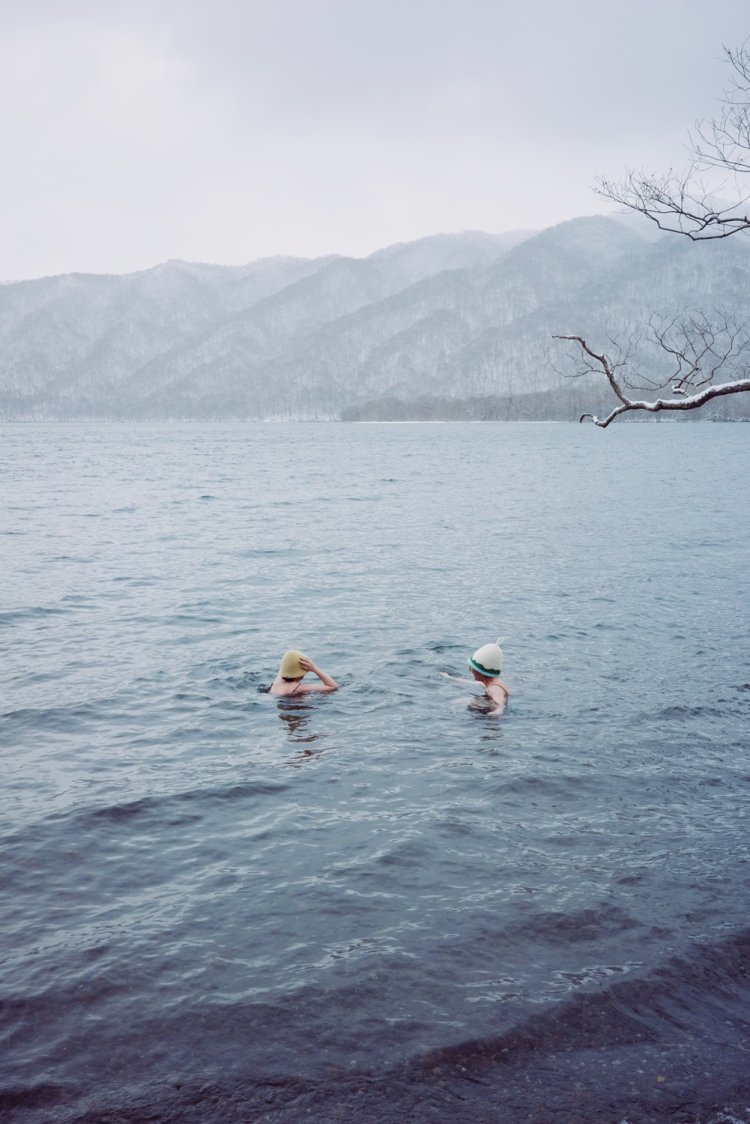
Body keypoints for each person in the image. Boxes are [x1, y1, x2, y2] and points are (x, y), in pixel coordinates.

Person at [443, 639, 510, 715]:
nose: (469, 670)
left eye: (472, 668)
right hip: (487, 703)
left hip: (491, 712)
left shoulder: (495, 688)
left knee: (462, 704)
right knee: (459, 702)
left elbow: (500, 705)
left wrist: (494, 715)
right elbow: (471, 683)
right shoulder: (489, 683)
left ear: (480, 671)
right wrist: (450, 678)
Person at [268, 650, 339, 697]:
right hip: (295, 706)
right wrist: (315, 669)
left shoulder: (277, 683)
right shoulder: (299, 688)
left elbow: (285, 668)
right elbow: (333, 687)